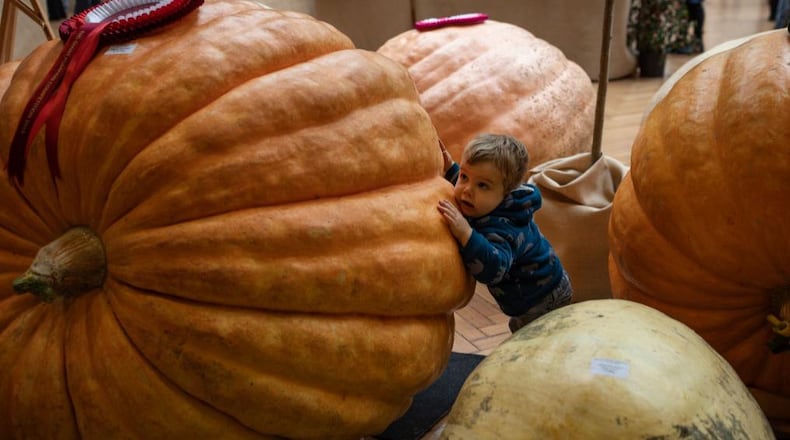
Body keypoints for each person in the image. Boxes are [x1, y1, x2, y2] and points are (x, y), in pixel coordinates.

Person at [437, 134, 573, 333]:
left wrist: (466, 234)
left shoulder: (503, 228)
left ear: (507, 193)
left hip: (542, 298)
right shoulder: (489, 203)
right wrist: (451, 169)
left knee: (533, 346)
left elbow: (493, 269)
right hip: (536, 291)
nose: (466, 190)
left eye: (482, 185)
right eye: (464, 177)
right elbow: (471, 184)